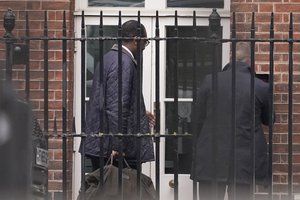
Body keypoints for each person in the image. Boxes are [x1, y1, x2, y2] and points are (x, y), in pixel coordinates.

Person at [190, 42, 272, 200]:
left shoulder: (209, 81)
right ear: (250, 60)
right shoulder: (260, 86)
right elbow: (269, 120)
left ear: (230, 58)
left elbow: (196, 118)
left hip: (211, 158)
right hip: (244, 161)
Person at [82, 20, 155, 171]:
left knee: (104, 191)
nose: (144, 47)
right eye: (145, 42)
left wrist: (139, 114)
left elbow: (110, 100)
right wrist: (117, 145)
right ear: (136, 39)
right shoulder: (124, 62)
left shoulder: (108, 58)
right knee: (121, 192)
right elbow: (117, 106)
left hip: (103, 141)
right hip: (116, 149)